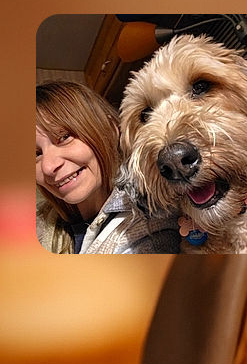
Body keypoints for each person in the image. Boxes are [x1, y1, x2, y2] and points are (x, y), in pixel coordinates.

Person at [35, 81, 178, 254]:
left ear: (111, 129)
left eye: (64, 137)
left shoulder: (151, 231)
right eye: (36, 154)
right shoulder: (40, 224)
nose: (49, 166)